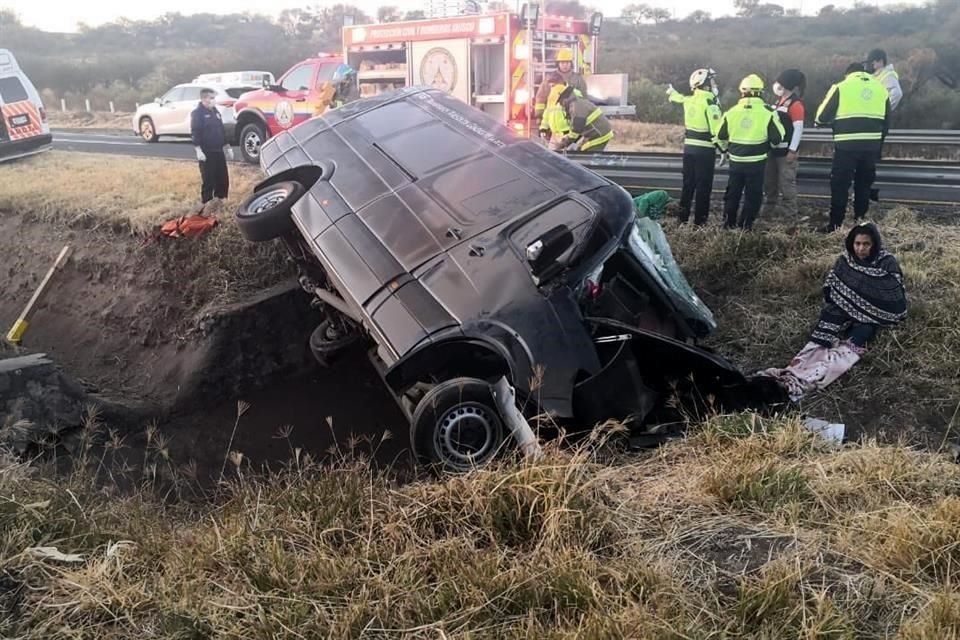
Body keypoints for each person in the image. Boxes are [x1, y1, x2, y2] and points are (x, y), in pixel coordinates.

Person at [759, 222, 906, 401]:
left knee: (855, 341)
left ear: (874, 244)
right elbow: (831, 286)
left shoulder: (887, 262)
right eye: (857, 243)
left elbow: (894, 296)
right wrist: (848, 303)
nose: (861, 249)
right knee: (823, 337)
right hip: (842, 311)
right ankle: (795, 373)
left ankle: (813, 378)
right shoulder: (845, 260)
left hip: (871, 317)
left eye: (866, 244)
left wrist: (864, 309)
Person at [815, 63, 891, 232]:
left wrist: (820, 123)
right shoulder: (880, 88)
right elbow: (886, 124)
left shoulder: (842, 87)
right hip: (871, 146)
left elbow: (821, 116)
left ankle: (836, 225)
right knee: (863, 185)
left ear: (848, 74)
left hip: (846, 146)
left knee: (840, 185)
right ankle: (860, 222)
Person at [716, 74, 784, 230]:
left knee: (732, 194)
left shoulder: (731, 112)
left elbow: (720, 135)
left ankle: (728, 225)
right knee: (753, 196)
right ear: (760, 92)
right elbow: (777, 138)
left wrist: (725, 150)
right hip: (757, 162)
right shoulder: (768, 113)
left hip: (736, 161)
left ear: (742, 92)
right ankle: (745, 227)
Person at [666, 68, 723, 225]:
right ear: (705, 84)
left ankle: (682, 219)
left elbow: (678, 98)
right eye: (711, 81)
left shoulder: (689, 100)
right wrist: (724, 149)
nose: (714, 84)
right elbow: (717, 131)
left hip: (689, 149)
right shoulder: (710, 103)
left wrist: (671, 93)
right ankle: (700, 223)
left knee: (688, 186)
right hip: (705, 151)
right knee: (703, 188)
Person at [762, 69, 806, 220]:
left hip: (786, 152)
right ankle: (768, 212)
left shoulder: (795, 104)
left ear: (786, 85)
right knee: (770, 183)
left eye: (779, 83)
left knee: (787, 184)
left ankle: (790, 216)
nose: (776, 85)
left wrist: (792, 151)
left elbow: (798, 129)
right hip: (773, 151)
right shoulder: (778, 102)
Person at [190, 89, 233, 206]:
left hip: (218, 150)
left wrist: (227, 146)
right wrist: (198, 149)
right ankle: (207, 203)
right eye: (211, 98)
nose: (214, 101)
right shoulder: (197, 113)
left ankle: (221, 200)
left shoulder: (215, 111)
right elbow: (195, 132)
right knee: (209, 179)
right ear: (204, 99)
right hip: (206, 152)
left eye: (214, 98)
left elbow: (221, 130)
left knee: (222, 177)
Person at [551, 84, 613, 153]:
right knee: (580, 150)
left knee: (585, 156)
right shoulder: (577, 103)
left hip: (599, 135)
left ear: (565, 99)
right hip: (596, 133)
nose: (561, 104)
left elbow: (576, 131)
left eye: (560, 101)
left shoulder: (576, 107)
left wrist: (562, 144)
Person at [534, 48, 588, 123]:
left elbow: (584, 98)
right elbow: (541, 97)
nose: (565, 65)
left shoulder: (578, 79)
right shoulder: (550, 78)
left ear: (571, 63)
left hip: (572, 117)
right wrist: (539, 116)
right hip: (553, 119)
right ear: (558, 64)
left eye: (567, 63)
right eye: (562, 63)